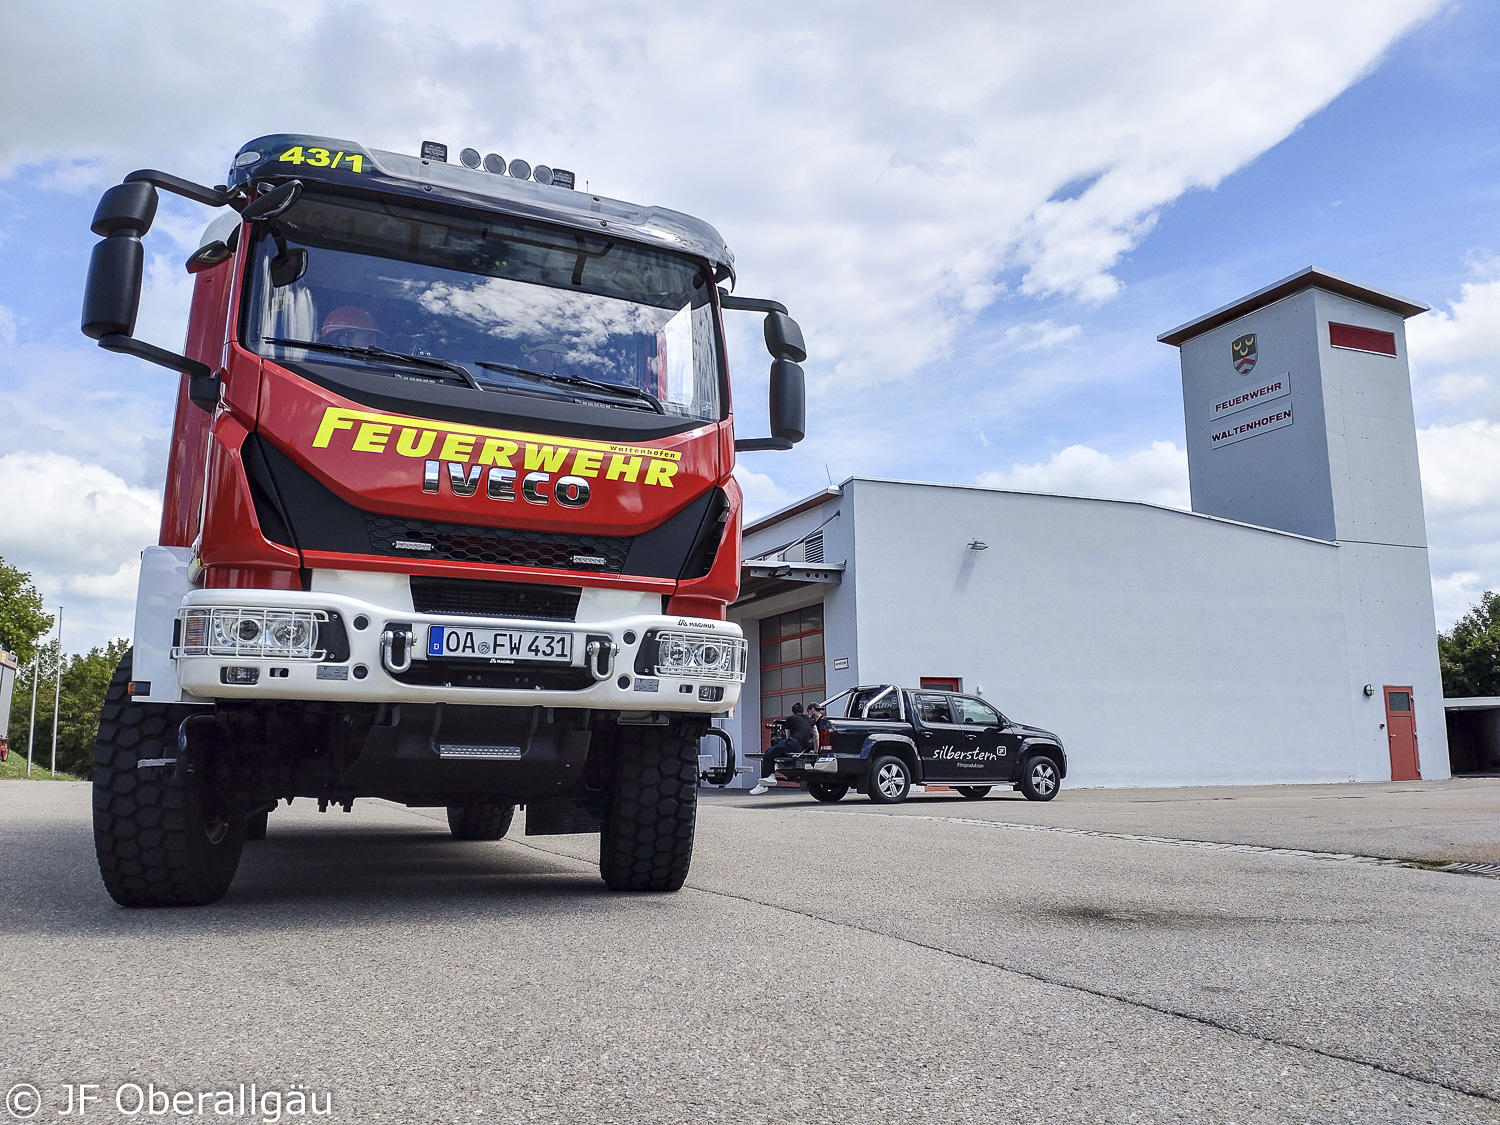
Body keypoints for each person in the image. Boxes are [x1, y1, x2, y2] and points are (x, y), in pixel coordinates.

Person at [750, 702, 815, 795]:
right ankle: (768, 778)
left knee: (768, 753)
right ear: (802, 710)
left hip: (792, 743)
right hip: (802, 749)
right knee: (777, 753)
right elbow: (816, 734)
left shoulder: (790, 719)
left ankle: (767, 780)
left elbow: (787, 736)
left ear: (793, 712)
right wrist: (815, 750)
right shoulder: (810, 720)